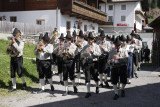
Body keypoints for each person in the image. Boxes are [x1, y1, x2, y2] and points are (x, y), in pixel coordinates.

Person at [81, 32, 101, 98]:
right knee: (87, 77)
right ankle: (88, 92)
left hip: (94, 63)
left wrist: (93, 52)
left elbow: (99, 54)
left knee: (95, 76)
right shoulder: (85, 46)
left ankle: (97, 86)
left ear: (93, 40)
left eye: (91, 39)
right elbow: (81, 55)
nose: (89, 41)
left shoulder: (96, 46)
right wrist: (85, 53)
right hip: (87, 63)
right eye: (88, 39)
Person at [7, 28, 27, 92]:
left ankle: (24, 83)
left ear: (18, 35)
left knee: (19, 72)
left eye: (15, 35)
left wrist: (14, 43)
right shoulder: (11, 42)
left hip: (19, 58)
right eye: (13, 35)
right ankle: (14, 87)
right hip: (13, 57)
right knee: (12, 72)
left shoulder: (21, 42)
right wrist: (8, 49)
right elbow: (8, 52)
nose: (14, 36)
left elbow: (19, 50)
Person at [59, 32, 78, 96]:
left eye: (69, 39)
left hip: (71, 62)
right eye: (67, 39)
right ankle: (66, 90)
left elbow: (74, 54)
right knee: (65, 76)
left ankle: (74, 86)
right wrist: (61, 52)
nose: (68, 40)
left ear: (71, 39)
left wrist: (69, 49)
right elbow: (60, 54)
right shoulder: (63, 45)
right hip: (64, 62)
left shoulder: (74, 46)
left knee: (71, 76)